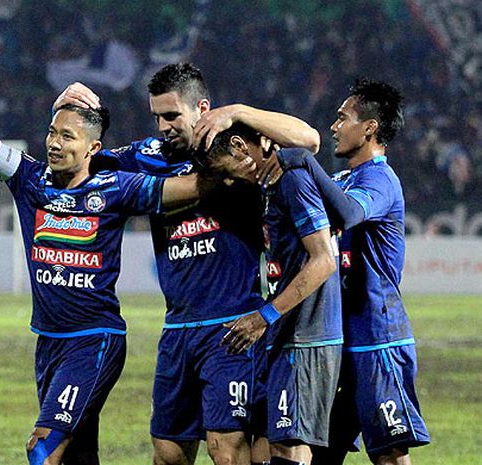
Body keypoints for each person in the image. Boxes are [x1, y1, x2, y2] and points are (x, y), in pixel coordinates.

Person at [0, 13, 199, 465]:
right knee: (76, 456)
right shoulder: (30, 181)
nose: (54, 142)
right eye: (51, 132)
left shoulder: (115, 188)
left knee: (43, 446)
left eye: (67, 136)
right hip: (48, 341)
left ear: (92, 149)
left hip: (95, 339)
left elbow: (185, 189)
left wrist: (235, 170)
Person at [54, 64, 320, 465]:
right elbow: (87, 159)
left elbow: (309, 140)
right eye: (157, 117)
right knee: (168, 453)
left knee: (226, 450)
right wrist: (75, 116)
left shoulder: (237, 144)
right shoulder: (148, 157)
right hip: (177, 327)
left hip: (232, 324)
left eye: (172, 115)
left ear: (203, 109)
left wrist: (240, 112)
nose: (163, 126)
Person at [298, 79, 430, 465]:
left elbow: (349, 213)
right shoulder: (342, 179)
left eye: (343, 118)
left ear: (369, 128)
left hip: (377, 337)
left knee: (388, 453)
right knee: (321, 452)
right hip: (339, 339)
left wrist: (306, 163)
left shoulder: (379, 179)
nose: (334, 126)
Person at [198, 122, 342, 465]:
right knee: (280, 449)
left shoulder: (292, 180)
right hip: (290, 332)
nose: (230, 182)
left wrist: (265, 316)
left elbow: (324, 261)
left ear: (239, 146)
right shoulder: (269, 188)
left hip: (308, 336)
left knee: (290, 451)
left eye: (226, 172)